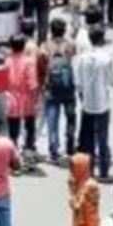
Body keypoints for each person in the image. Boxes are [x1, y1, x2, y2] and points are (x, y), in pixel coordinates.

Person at [75, 24, 113, 181]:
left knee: (88, 140)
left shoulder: (82, 59)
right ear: (102, 39)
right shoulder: (106, 58)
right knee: (102, 138)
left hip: (87, 103)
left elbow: (78, 83)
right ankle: (104, 172)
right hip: (102, 103)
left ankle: (90, 171)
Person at [43, 17, 78, 163]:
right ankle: (70, 146)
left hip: (51, 88)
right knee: (70, 116)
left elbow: (42, 62)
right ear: (64, 31)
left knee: (52, 119)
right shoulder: (70, 44)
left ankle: (53, 149)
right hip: (68, 87)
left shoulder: (45, 45)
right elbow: (73, 58)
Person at [5, 33, 39, 154]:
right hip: (27, 98)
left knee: (13, 128)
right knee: (30, 126)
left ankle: (13, 152)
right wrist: (36, 100)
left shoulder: (7, 61)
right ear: (24, 46)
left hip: (11, 98)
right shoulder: (29, 62)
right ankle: (29, 150)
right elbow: (32, 83)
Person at [68, 153, 101, 226]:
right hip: (82, 225)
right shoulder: (80, 183)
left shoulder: (90, 186)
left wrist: (72, 197)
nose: (71, 171)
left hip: (88, 225)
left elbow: (79, 208)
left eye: (73, 168)